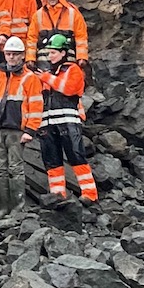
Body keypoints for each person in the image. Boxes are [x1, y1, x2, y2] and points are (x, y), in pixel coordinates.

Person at [0, 36, 44, 222]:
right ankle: (3, 209)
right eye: (8, 54)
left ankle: (18, 209)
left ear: (22, 56)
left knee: (16, 169)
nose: (11, 57)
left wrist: (30, 131)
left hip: (17, 130)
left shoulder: (30, 78)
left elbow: (36, 106)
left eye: (15, 54)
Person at [37, 33, 98, 205]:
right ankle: (58, 194)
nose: (50, 56)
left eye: (53, 53)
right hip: (48, 122)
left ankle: (90, 193)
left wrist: (46, 78)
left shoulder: (73, 70)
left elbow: (69, 89)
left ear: (63, 53)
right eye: (49, 53)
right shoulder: (48, 73)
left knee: (76, 156)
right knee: (52, 160)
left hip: (68, 121)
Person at [27, 0, 89, 68]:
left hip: (67, 58)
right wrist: (30, 58)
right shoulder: (38, 15)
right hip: (44, 60)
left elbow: (81, 37)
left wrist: (82, 57)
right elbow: (31, 39)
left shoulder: (72, 13)